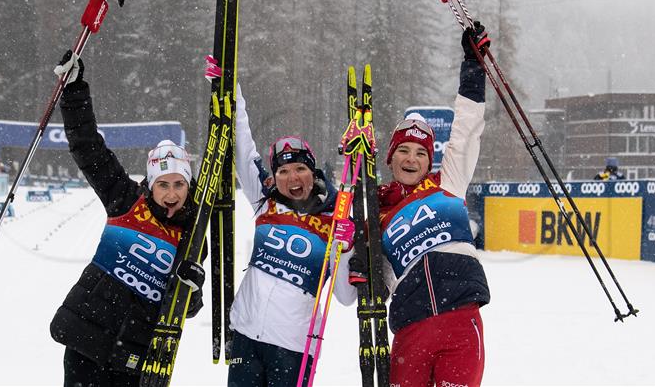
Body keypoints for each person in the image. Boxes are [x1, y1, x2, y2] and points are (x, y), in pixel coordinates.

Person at [49, 51, 206, 387]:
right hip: (86, 337)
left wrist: (194, 287)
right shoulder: (125, 199)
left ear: (188, 185)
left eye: (179, 184)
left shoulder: (194, 234)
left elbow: (186, 308)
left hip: (133, 355)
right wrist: (74, 90)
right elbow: (89, 149)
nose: (171, 193)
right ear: (150, 184)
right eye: (163, 184)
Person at [206, 58, 356, 387]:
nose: (292, 177)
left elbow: (346, 297)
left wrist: (346, 249)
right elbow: (243, 148)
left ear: (312, 172)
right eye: (283, 171)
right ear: (275, 177)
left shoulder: (334, 217)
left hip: (293, 346)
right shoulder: (266, 200)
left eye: (300, 169)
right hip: (246, 335)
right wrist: (232, 90)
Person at [365, 22, 491, 387]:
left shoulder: (448, 182)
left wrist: (473, 66)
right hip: (411, 331)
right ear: (390, 158)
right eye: (403, 150)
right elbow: (373, 283)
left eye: (421, 152)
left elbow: (466, 130)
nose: (411, 158)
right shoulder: (377, 210)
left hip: (460, 326)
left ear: (428, 159)